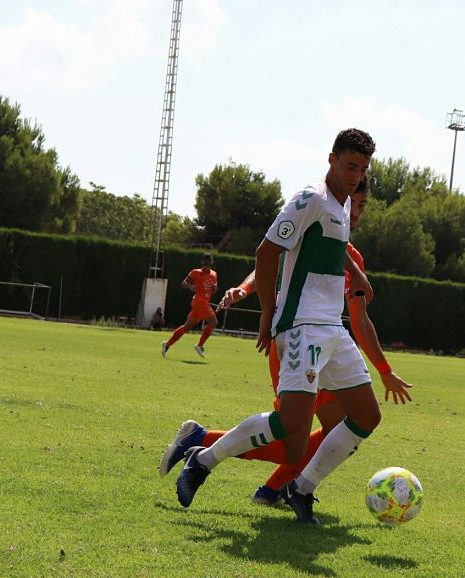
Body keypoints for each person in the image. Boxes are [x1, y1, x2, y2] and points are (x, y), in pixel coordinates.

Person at [172, 128, 406, 524]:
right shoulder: (310, 197)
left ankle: (301, 488)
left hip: (332, 328)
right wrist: (267, 312)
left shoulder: (342, 205)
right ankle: (203, 461)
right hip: (301, 326)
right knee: (291, 425)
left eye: (363, 168)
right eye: (350, 165)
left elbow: (331, 246)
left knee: (367, 416)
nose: (355, 175)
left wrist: (356, 274)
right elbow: (266, 251)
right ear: (331, 159)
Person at [161, 253, 218, 358]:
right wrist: (190, 286)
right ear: (202, 263)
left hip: (204, 302)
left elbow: (213, 290)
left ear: (211, 263)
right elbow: (184, 283)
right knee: (214, 322)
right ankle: (199, 345)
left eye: (208, 263)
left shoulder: (214, 274)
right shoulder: (195, 272)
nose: (206, 266)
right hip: (199, 301)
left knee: (186, 327)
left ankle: (167, 344)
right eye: (204, 263)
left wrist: (215, 288)